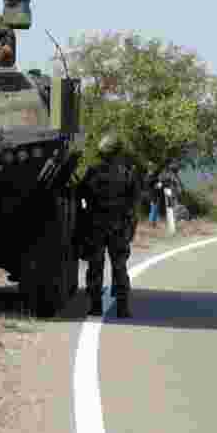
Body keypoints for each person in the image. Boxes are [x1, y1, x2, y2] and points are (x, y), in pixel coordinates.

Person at [77, 133, 144, 318]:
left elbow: (81, 194)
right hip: (119, 227)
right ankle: (123, 307)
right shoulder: (127, 171)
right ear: (118, 151)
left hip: (96, 226)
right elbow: (135, 201)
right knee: (119, 266)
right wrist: (130, 225)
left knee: (95, 266)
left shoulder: (93, 171)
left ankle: (95, 306)